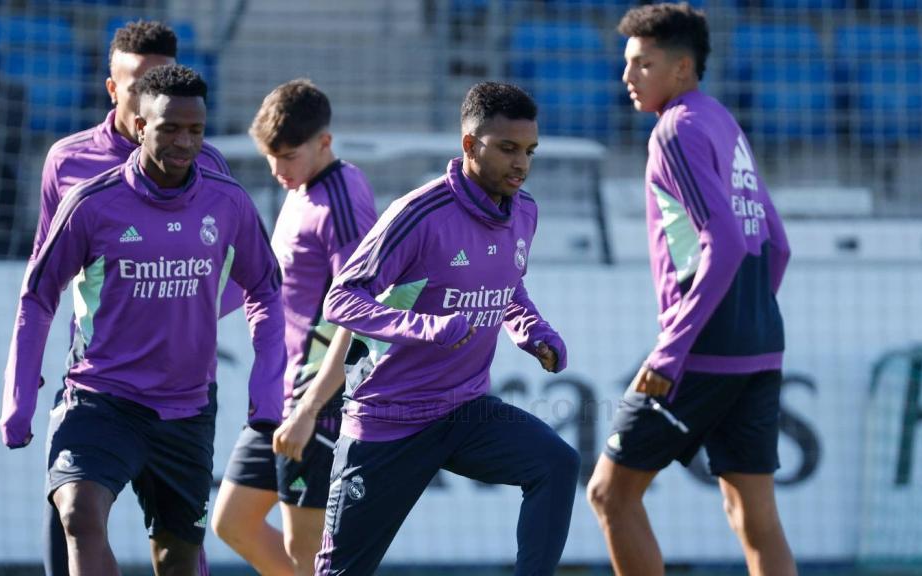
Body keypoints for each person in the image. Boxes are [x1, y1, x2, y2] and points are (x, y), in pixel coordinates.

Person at [0, 64, 286, 576]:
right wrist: (19, 393)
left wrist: (268, 388)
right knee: (79, 514)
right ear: (138, 127)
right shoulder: (91, 203)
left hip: (186, 409)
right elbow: (38, 295)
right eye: (169, 128)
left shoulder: (228, 203)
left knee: (177, 559)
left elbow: (265, 287)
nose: (184, 141)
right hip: (99, 398)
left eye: (195, 130)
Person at [313, 81, 580, 576]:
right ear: (468, 144)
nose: (521, 164)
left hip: (464, 411)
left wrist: (533, 329)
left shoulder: (524, 211)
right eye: (507, 149)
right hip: (388, 420)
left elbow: (508, 288)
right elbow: (342, 299)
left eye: (529, 151)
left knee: (556, 463)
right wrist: (425, 327)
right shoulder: (420, 214)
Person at [585, 5, 796, 576]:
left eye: (642, 63)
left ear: (681, 68)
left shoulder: (674, 129)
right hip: (759, 342)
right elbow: (776, 243)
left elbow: (724, 243)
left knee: (610, 494)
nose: (627, 77)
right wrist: (748, 314)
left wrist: (672, 350)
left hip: (700, 350)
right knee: (752, 513)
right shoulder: (723, 122)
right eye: (626, 64)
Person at [30, 20, 237, 576]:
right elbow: (42, 276)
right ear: (112, 87)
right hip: (96, 376)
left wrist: (174, 306)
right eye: (136, 82)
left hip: (181, 386)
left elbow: (244, 274)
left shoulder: (205, 164)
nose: (149, 92)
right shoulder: (68, 162)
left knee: (179, 544)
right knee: (73, 513)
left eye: (160, 81)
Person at [211, 79, 377, 575]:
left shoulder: (342, 203)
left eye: (288, 155)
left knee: (308, 557)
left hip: (316, 405)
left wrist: (310, 409)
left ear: (324, 142)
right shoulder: (303, 187)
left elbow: (365, 315)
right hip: (278, 400)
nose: (277, 169)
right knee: (233, 522)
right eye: (270, 157)